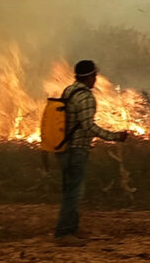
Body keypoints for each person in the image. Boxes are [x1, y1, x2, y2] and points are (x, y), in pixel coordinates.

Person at [54, 60, 129, 246]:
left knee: (70, 190)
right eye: (94, 75)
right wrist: (114, 136)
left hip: (63, 148)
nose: (96, 79)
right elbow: (88, 126)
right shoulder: (86, 97)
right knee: (74, 193)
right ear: (88, 77)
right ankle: (64, 234)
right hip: (77, 149)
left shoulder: (68, 90)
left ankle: (72, 228)